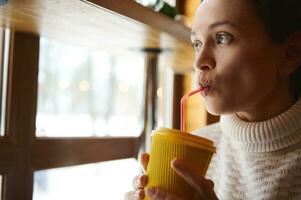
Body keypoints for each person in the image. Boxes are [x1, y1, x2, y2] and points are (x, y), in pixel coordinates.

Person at [125, 0, 301, 199]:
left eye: (222, 38)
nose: (199, 62)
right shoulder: (197, 151)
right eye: (197, 44)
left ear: (290, 53)